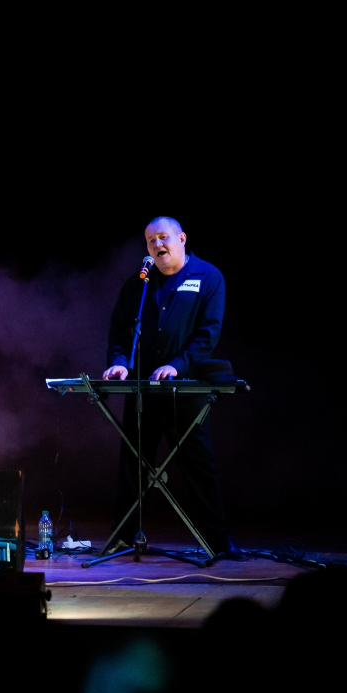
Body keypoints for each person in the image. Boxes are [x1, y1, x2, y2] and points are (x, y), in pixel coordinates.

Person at [102, 216, 239, 558]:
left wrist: (177, 365)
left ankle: (217, 541)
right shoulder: (139, 283)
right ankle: (125, 537)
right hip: (143, 391)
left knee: (198, 465)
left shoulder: (208, 277)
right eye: (151, 241)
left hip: (185, 391)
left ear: (182, 238)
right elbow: (120, 331)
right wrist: (120, 361)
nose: (157, 245)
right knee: (133, 466)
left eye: (163, 237)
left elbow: (208, 334)